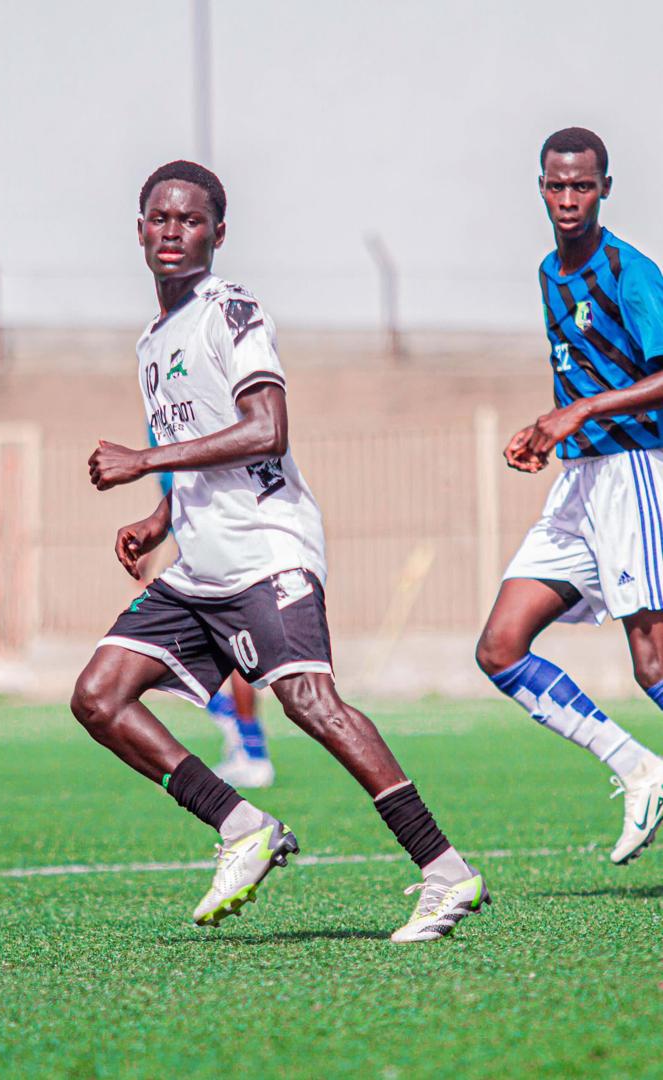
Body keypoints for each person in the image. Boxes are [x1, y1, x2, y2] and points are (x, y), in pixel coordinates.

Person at [71, 160, 488, 942]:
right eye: (159, 218)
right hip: (202, 566)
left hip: (267, 550)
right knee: (99, 696)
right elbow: (204, 444)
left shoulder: (230, 312)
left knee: (309, 703)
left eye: (190, 220)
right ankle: (240, 825)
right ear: (138, 230)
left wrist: (145, 460)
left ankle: (445, 872)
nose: (172, 231)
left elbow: (268, 430)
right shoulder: (152, 340)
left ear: (218, 234)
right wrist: (159, 519)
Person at [477, 127, 663, 865]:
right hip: (578, 484)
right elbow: (581, 379)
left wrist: (579, 414)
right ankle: (638, 767)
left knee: (650, 661)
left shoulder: (629, 268)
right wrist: (546, 431)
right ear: (540, 187)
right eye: (554, 186)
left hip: (635, 474)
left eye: (580, 186)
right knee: (498, 647)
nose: (566, 199)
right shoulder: (548, 273)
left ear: (604, 188)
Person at [143, 427, 276, 788]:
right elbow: (177, 499)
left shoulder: (183, 412)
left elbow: (200, 486)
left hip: (217, 543)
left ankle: (250, 747)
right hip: (191, 543)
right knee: (153, 654)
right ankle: (244, 737)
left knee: (233, 648)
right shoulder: (159, 414)